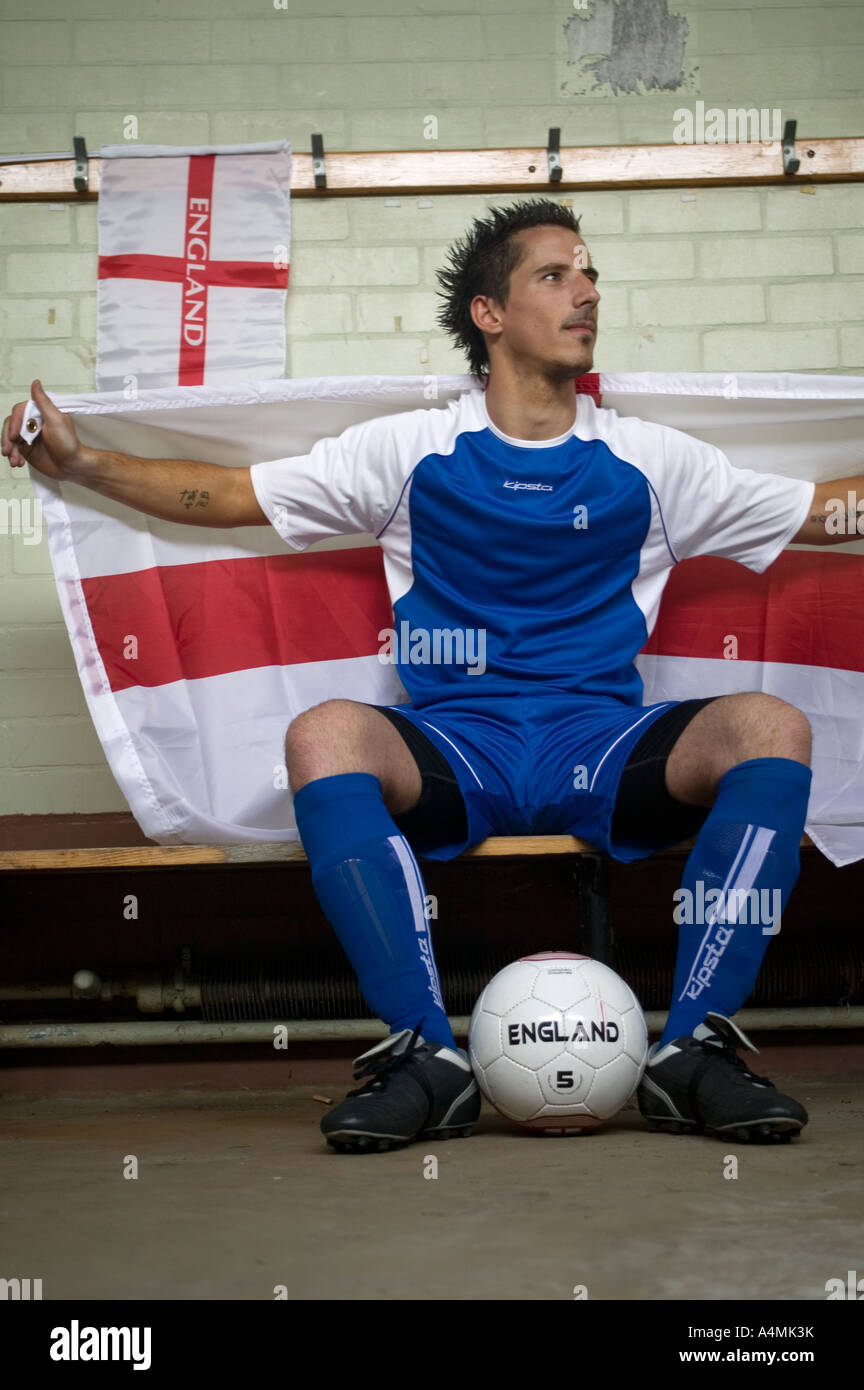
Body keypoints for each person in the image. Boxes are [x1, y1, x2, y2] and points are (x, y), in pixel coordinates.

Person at [4, 199, 858, 1155]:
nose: (587, 292)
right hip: (461, 748)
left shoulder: (650, 460)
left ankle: (694, 1048)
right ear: (489, 314)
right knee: (323, 734)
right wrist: (81, 463)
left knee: (771, 727)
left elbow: (824, 516)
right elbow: (230, 496)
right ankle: (426, 1057)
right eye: (555, 275)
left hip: (602, 745)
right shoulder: (409, 451)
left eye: (590, 275)